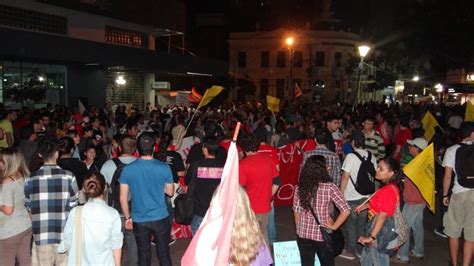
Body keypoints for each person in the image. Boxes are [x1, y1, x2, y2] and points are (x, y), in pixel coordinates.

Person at [119, 132, 174, 266]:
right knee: (164, 253)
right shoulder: (164, 167)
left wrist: (127, 218)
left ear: (137, 149)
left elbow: (122, 198)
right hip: (160, 216)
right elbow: (170, 192)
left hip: (139, 218)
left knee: (143, 255)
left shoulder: (127, 170)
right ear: (154, 148)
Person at [25, 137, 79, 266]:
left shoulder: (30, 179)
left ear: (39, 154)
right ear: (57, 153)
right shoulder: (69, 176)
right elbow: (74, 205)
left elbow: (28, 206)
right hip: (63, 231)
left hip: (41, 232)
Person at [293, 155, 350, 266]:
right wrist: (334, 227)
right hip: (322, 235)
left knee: (306, 263)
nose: (328, 167)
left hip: (303, 234)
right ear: (321, 169)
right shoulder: (330, 187)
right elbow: (346, 210)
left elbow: (296, 212)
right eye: (325, 165)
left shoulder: (300, 187)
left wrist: (299, 229)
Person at [58, 172, 123, 265]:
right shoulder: (112, 214)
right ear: (105, 188)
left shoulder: (76, 212)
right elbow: (116, 245)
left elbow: (67, 238)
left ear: (84, 189)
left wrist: (63, 248)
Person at [356, 157, 402, 266]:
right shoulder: (390, 187)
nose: (376, 170)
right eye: (377, 167)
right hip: (379, 229)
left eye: (381, 169)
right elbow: (380, 205)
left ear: (391, 173)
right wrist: (366, 206)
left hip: (380, 232)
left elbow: (382, 216)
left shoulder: (387, 191)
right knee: (367, 261)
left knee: (378, 260)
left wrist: (371, 237)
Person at [100, 134, 138, 266]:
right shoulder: (140, 165)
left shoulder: (108, 165)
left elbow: (102, 190)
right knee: (133, 242)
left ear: (120, 147)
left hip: (113, 211)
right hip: (135, 211)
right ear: (135, 148)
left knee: (111, 245)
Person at [339, 131, 377, 259]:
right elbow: (374, 176)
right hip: (366, 198)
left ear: (353, 142)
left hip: (351, 196)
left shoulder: (350, 156)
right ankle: (361, 250)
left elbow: (345, 176)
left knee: (350, 225)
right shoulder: (372, 156)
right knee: (362, 225)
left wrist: (340, 193)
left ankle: (350, 251)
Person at [238, 132, 280, 245]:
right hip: (265, 206)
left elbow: (240, 189)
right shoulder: (268, 160)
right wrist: (269, 195)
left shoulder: (242, 164)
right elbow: (277, 181)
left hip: (249, 208)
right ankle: (267, 261)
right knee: (264, 235)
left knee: (250, 239)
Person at [442, 121, 474, 266]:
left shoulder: (452, 150)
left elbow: (447, 176)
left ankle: (455, 264)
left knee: (453, 232)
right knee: (471, 235)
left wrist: (444, 195)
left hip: (459, 194)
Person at [393, 138, 428, 263]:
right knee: (417, 226)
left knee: (404, 227)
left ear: (417, 148)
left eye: (411, 146)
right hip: (420, 200)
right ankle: (418, 251)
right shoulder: (423, 162)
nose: (409, 147)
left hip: (413, 201)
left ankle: (402, 255)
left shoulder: (417, 164)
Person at [185, 137, 224, 235]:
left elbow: (187, 181)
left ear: (206, 150)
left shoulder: (196, 165)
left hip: (199, 210)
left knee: (198, 240)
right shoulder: (223, 166)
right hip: (217, 210)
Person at [0, 148, 32, 266]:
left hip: (10, 229)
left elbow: (8, 210)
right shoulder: (24, 175)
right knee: (25, 260)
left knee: (5, 261)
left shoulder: (8, 181)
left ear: (7, 162)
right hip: (25, 224)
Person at [229, 186, 273, 266]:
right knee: (263, 234)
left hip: (254, 209)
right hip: (262, 208)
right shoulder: (258, 242)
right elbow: (277, 181)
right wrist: (269, 198)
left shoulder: (206, 242)